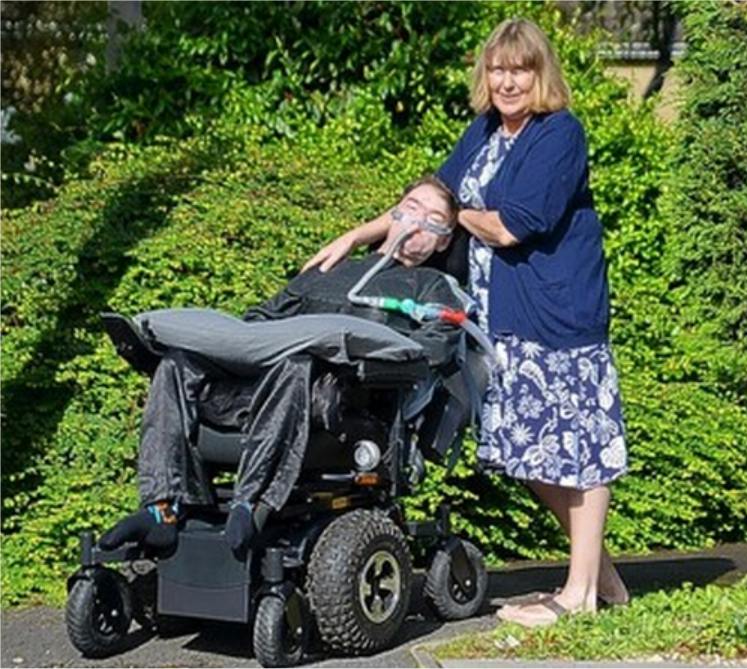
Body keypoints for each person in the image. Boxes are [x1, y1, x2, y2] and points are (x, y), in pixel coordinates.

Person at [303, 18, 630, 626]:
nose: (507, 81)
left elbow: (509, 225)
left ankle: (579, 596)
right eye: (498, 70)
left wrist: (447, 216)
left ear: (540, 74)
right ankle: (602, 577)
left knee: (576, 449)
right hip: (500, 315)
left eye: (520, 70)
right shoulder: (484, 132)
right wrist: (360, 234)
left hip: (557, 315)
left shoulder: (559, 134)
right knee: (526, 451)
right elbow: (434, 195)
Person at [100, 176, 462, 555]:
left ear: (443, 240)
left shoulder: (432, 287)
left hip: (336, 404)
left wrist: (364, 353)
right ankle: (161, 509)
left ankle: (250, 503)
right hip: (254, 388)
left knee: (296, 361)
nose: (419, 223)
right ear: (393, 213)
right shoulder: (330, 269)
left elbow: (434, 348)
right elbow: (262, 317)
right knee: (177, 363)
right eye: (414, 208)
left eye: (434, 219)